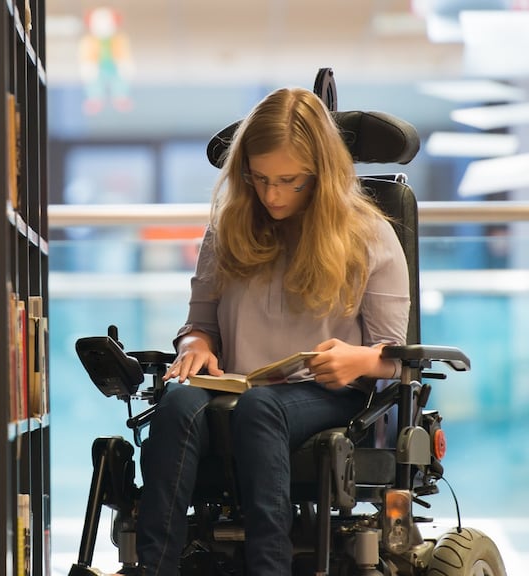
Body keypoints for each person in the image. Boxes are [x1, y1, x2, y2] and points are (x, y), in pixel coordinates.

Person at [128, 87, 410, 576]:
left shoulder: (370, 235)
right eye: (259, 179)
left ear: (322, 174)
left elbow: (395, 355)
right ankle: (154, 568)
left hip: (325, 392)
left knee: (261, 408)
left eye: (288, 181)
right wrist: (195, 347)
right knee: (176, 404)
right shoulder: (228, 228)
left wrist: (357, 360)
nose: (272, 195)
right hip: (236, 386)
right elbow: (199, 324)